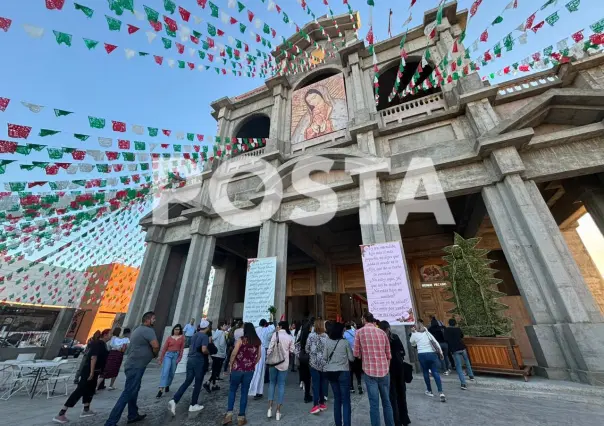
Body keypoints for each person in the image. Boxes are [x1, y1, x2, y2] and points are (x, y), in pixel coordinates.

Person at [104, 312, 159, 426]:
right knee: (128, 392)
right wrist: (154, 354)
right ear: (147, 320)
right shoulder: (148, 330)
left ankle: (133, 415)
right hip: (136, 366)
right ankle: (110, 422)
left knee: (134, 390)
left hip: (134, 365)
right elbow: (156, 345)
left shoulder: (138, 329)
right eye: (153, 318)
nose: (155, 320)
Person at [53, 329, 111, 424]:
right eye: (110, 334)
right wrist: (91, 373)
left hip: (95, 371)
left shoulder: (102, 344)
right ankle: (61, 413)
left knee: (90, 390)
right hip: (89, 371)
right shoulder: (98, 344)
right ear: (105, 335)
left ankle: (86, 409)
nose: (111, 336)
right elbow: (93, 358)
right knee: (80, 390)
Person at [353, 312, 395, 426]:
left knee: (374, 403)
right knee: (387, 402)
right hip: (384, 371)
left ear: (364, 319)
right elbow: (388, 354)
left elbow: (356, 353)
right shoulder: (382, 332)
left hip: (369, 371)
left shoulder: (359, 332)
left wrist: (362, 354)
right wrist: (386, 368)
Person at [222, 323, 261, 426]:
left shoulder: (241, 339)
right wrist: (252, 364)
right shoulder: (257, 341)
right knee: (244, 392)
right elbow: (259, 356)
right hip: (249, 370)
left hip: (237, 369)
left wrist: (231, 363)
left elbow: (234, 353)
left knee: (232, 390)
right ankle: (241, 417)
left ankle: (229, 415)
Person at [168, 319, 210, 415]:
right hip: (198, 360)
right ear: (207, 328)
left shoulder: (195, 334)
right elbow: (204, 350)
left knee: (188, 380)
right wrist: (208, 352)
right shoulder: (204, 336)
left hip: (190, 359)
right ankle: (193, 404)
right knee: (198, 382)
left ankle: (174, 400)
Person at [379, 321, 410, 426]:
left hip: (388, 369)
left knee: (392, 396)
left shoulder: (381, 339)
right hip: (399, 368)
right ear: (388, 328)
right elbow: (403, 352)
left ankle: (396, 420)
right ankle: (404, 419)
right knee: (401, 394)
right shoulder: (395, 337)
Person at [324, 322, 354, 426]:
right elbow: (351, 358)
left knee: (337, 400)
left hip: (331, 372)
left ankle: (338, 424)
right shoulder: (345, 343)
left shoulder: (327, 342)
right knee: (346, 401)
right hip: (343, 372)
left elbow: (324, 357)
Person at [410, 321, 446, 402]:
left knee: (425, 372)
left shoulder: (415, 334)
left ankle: (429, 390)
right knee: (435, 372)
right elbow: (435, 341)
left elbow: (411, 342)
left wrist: (413, 332)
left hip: (422, 354)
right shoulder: (427, 333)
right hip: (431, 354)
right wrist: (441, 352)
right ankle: (441, 392)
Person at [266, 320, 295, 421]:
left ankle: (269, 409)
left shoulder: (275, 334)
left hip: (273, 362)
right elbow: (292, 350)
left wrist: (268, 357)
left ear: (280, 326)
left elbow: (270, 348)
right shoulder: (290, 337)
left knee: (272, 383)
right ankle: (278, 411)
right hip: (283, 363)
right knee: (281, 385)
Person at [444, 318, 476, 390]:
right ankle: (471, 376)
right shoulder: (458, 329)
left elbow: (445, 339)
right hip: (462, 347)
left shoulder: (446, 330)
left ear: (449, 323)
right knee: (467, 361)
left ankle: (463, 383)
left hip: (455, 349)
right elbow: (462, 336)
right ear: (455, 323)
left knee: (458, 366)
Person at [306, 318, 328, 415]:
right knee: (323, 383)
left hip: (314, 363)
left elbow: (307, 348)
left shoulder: (311, 336)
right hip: (323, 363)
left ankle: (315, 405)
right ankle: (322, 403)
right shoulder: (326, 336)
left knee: (315, 384)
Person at [157, 324, 185, 398]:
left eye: (178, 329)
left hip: (176, 355)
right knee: (165, 371)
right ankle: (161, 389)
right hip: (168, 355)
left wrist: (179, 358)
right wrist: (161, 359)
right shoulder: (169, 338)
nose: (177, 331)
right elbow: (164, 349)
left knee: (172, 372)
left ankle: (167, 384)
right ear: (173, 330)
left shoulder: (182, 338)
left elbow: (182, 349)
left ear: (180, 330)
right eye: (175, 329)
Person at [249, 319, 274, 400]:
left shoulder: (256, 329)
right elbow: (273, 328)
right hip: (261, 350)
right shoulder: (265, 329)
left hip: (255, 350)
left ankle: (257, 391)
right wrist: (270, 323)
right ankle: (256, 391)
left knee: (257, 371)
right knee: (259, 371)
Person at [205, 321, 228, 392]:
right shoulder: (222, 333)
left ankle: (214, 385)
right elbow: (222, 344)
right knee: (216, 371)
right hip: (219, 354)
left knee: (214, 370)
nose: (226, 326)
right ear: (221, 326)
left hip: (214, 354)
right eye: (225, 325)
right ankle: (208, 383)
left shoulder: (216, 332)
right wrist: (223, 352)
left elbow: (213, 340)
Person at [344, 322, 363, 394]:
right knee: (358, 370)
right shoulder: (356, 332)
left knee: (350, 371)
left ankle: (351, 387)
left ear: (345, 328)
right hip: (357, 353)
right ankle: (359, 384)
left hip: (349, 355)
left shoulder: (345, 334)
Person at [296, 321, 313, 403]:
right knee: (309, 378)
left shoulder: (302, 336)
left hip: (302, 358)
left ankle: (306, 394)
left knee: (305, 378)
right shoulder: (310, 336)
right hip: (308, 358)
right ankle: (307, 395)